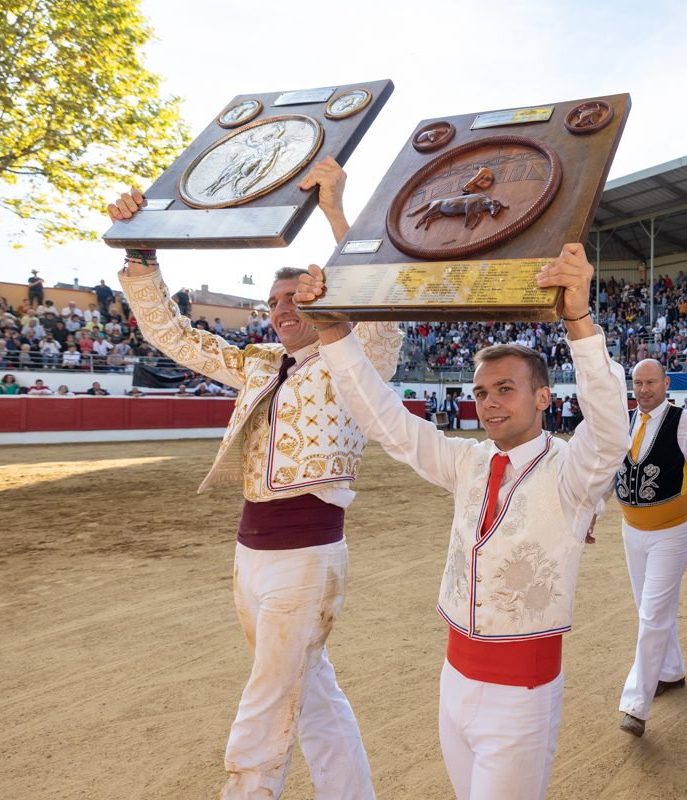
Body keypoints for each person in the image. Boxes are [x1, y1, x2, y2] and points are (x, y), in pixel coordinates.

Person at [108, 156, 398, 800]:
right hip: (250, 553)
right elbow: (176, 339)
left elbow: (374, 300)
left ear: (322, 297)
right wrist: (139, 252)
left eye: (295, 298)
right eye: (273, 302)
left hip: (306, 556)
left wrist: (333, 209)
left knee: (266, 702)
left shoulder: (357, 357)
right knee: (310, 691)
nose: (282, 309)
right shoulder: (261, 362)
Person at [297, 242, 629, 800]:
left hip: (523, 691)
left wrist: (578, 319)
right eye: (480, 392)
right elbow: (387, 422)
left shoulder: (573, 474)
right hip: (454, 679)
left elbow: (611, 431)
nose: (490, 403)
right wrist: (333, 332)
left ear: (543, 396)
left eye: (506, 389)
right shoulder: (468, 460)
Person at [611, 359, 687, 737]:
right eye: (637, 383)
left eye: (651, 382)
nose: (643, 389)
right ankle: (671, 671)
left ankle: (635, 705)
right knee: (650, 610)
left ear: (666, 383)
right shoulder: (624, 421)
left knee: (652, 615)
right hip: (632, 530)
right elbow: (610, 471)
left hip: (672, 534)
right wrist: (592, 513)